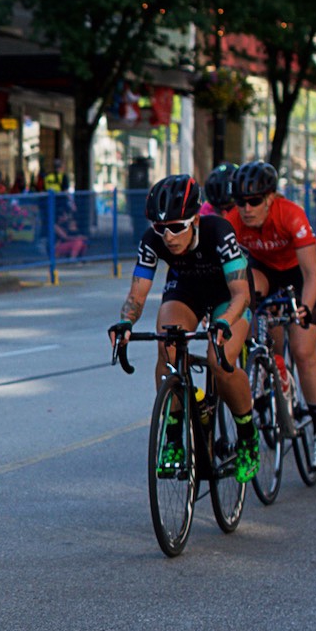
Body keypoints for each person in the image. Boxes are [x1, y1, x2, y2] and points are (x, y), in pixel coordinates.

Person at [107, 174, 259, 485]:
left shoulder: (219, 231)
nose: (168, 236)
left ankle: (247, 434)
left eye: (176, 227)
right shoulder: (153, 240)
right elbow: (137, 295)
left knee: (220, 361)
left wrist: (223, 321)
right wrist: (126, 322)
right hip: (186, 290)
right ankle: (174, 435)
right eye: (160, 228)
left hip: (227, 295)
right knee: (167, 347)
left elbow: (241, 294)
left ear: (195, 220)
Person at [227, 159, 316, 470]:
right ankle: (265, 363)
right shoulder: (234, 221)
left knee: (303, 351)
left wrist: (304, 309)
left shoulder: (290, 214)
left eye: (254, 201)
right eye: (241, 202)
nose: (247, 208)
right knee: (248, 294)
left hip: (299, 277)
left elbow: (312, 274)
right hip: (265, 273)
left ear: (271, 197)